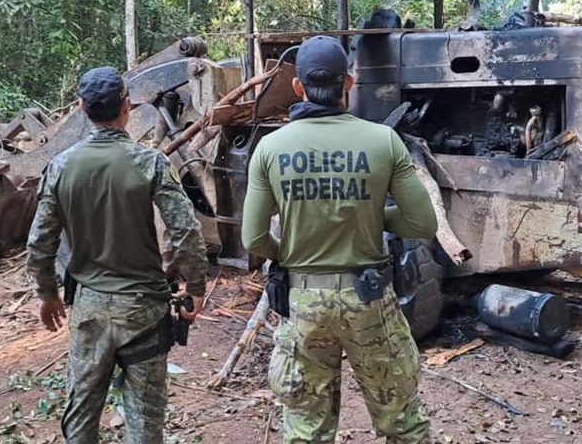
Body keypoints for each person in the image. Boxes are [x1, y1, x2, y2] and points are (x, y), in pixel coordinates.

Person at [241, 35, 438, 444]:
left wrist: (292, 254)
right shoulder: (383, 141)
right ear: (348, 82)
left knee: (306, 429)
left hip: (304, 303)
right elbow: (422, 223)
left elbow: (254, 238)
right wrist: (371, 216)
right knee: (402, 422)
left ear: (298, 87)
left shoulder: (270, 148)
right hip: (369, 302)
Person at [26, 66, 208, 444]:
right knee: (144, 420)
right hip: (143, 311)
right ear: (127, 106)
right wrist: (195, 286)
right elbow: (186, 230)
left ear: (81, 107)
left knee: (81, 415)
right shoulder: (150, 162)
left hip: (89, 312)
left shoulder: (60, 167)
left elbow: (40, 243)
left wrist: (47, 294)